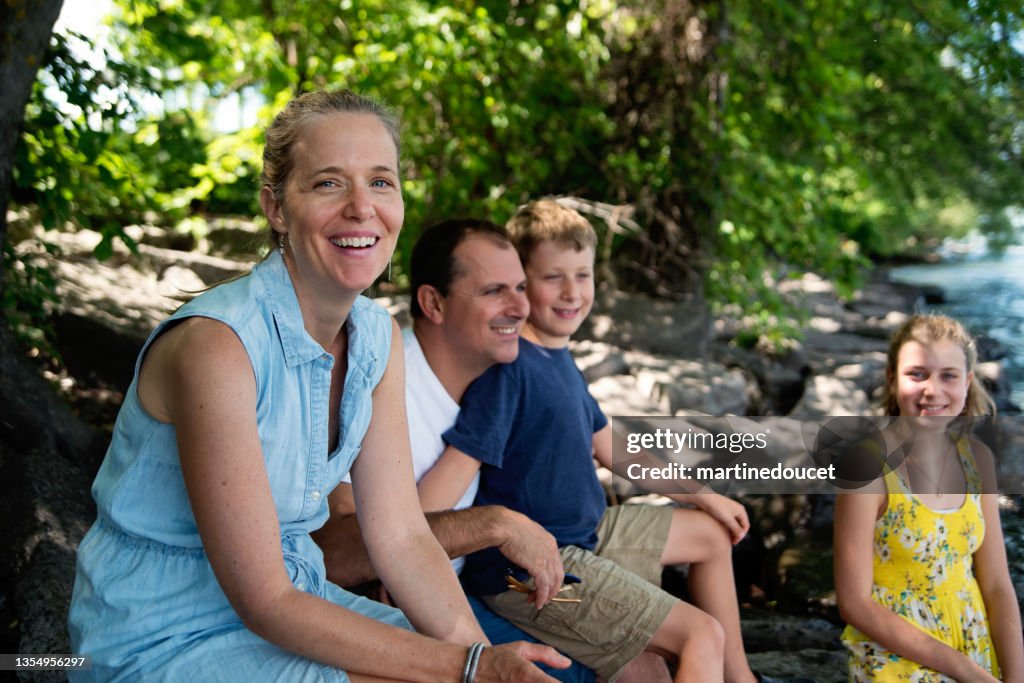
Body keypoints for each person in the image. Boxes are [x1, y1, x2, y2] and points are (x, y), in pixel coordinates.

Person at [67, 89, 569, 682]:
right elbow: (265, 601)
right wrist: (471, 669)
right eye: (329, 183)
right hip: (160, 635)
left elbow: (403, 538)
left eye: (381, 182)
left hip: (296, 601)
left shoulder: (377, 337)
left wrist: (481, 659)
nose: (362, 207)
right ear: (276, 208)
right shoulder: (217, 347)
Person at [419, 199, 812, 683]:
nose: (571, 293)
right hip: (531, 569)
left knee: (712, 535)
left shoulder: (560, 361)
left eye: (582, 276)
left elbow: (614, 447)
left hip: (590, 529)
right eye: (551, 278)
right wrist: (404, 551)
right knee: (699, 634)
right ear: (522, 285)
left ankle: (740, 678)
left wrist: (706, 495)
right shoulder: (510, 370)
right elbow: (442, 487)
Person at [315, 217, 594, 682]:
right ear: (433, 303)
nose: (522, 308)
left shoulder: (503, 379)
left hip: (480, 585)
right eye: (494, 292)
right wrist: (492, 525)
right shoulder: (376, 381)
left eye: (522, 287)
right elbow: (332, 556)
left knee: (639, 657)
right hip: (396, 611)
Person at [834, 314, 1024, 681]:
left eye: (948, 376)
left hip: (973, 644)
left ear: (968, 383)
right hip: (896, 656)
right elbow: (855, 603)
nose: (932, 390)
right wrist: (966, 672)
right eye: (917, 374)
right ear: (892, 379)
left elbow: (997, 583)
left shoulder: (978, 459)